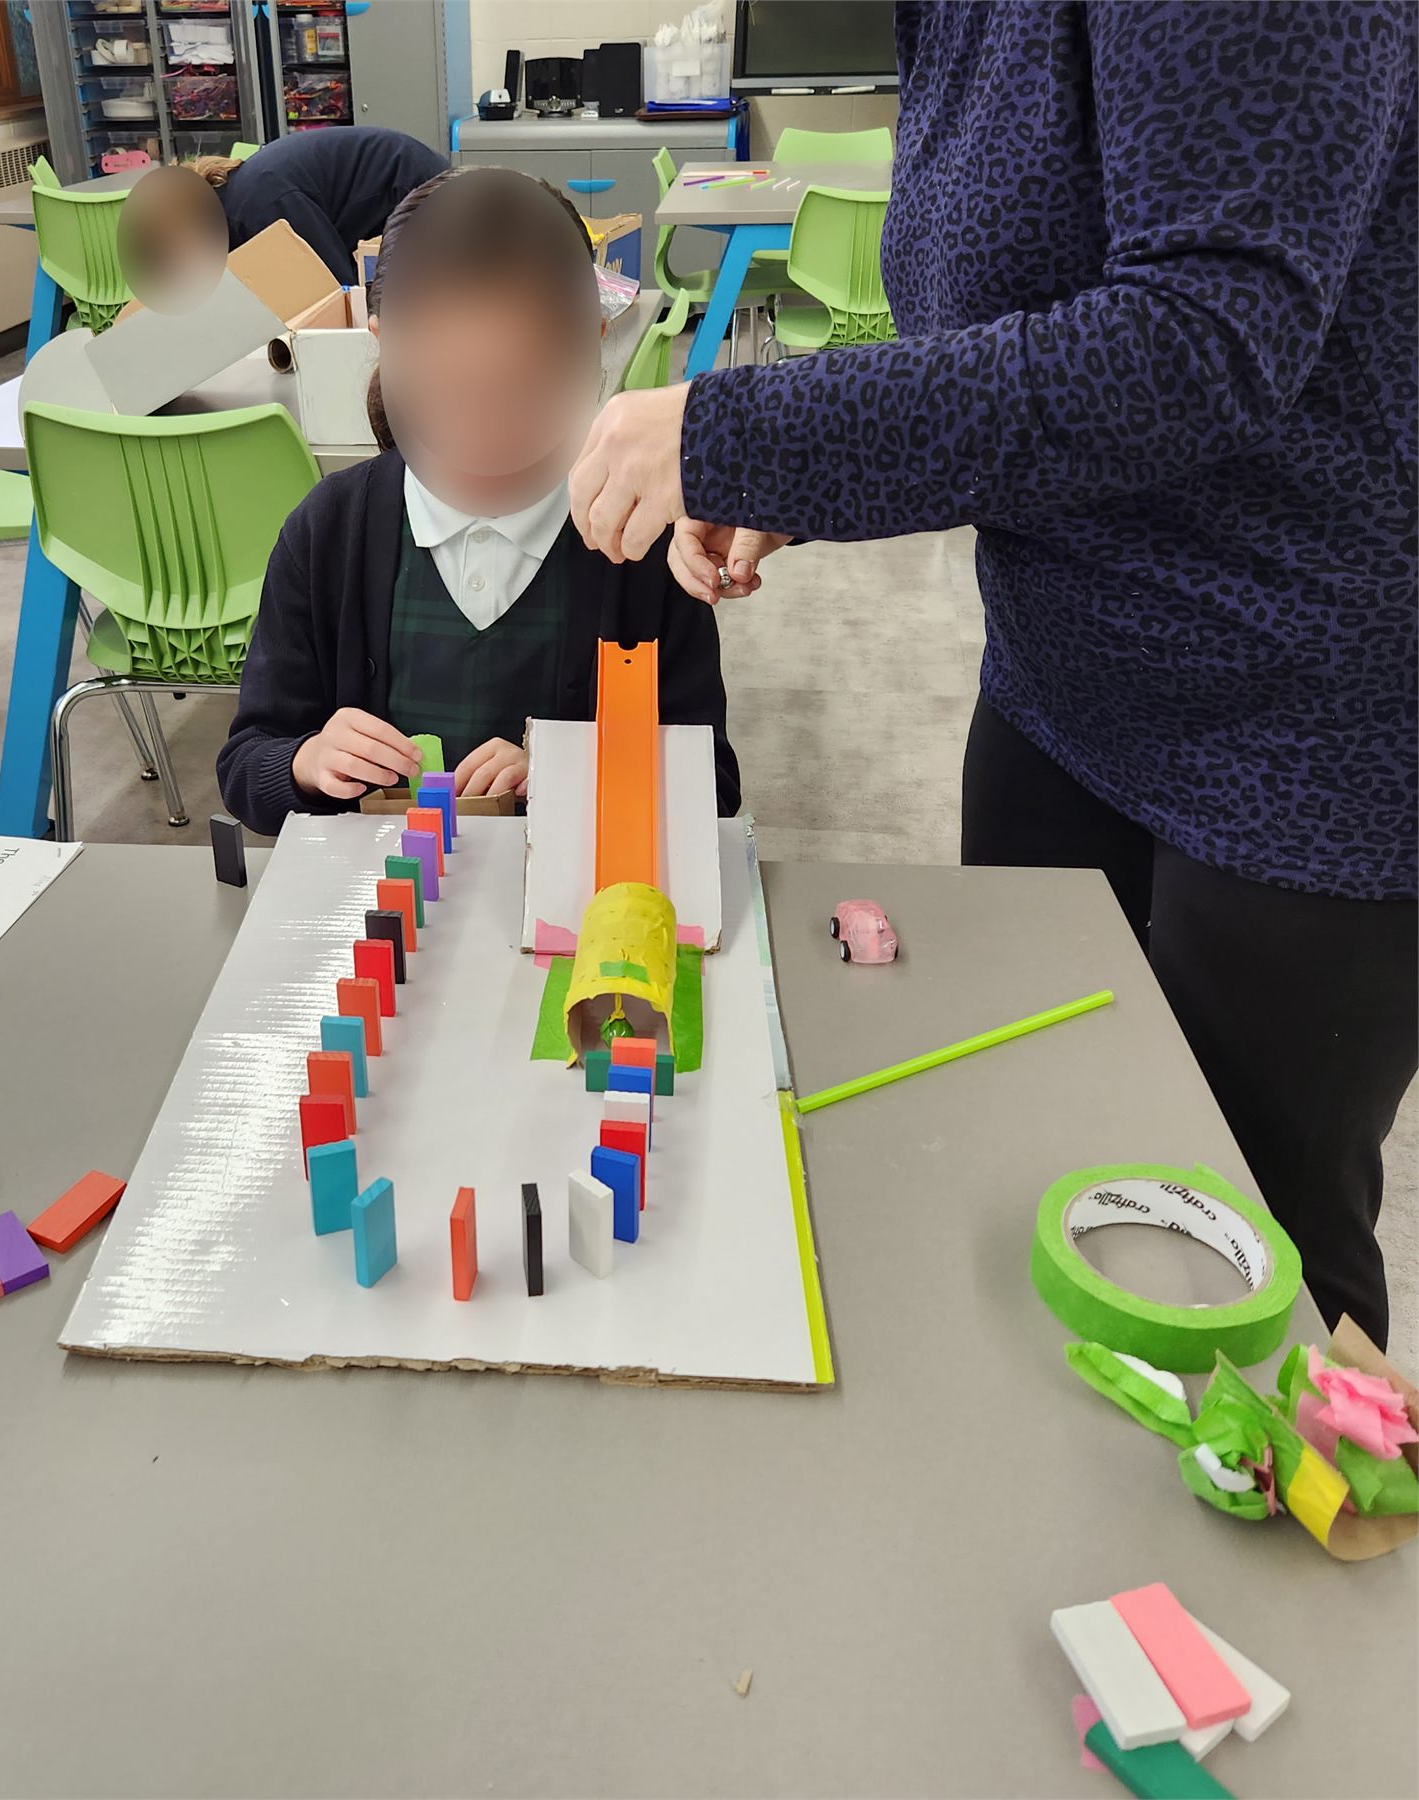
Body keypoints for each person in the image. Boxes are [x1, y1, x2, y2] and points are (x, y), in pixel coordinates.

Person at [566, 2, 1417, 1347]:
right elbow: (1028, 316)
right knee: (1036, 1153)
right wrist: (810, 477)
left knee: (1264, 1271)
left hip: (1303, 731)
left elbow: (1201, 339)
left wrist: (762, 429)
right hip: (1063, 678)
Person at [218, 168, 740, 834]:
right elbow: (246, 764)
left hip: (570, 914)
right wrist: (305, 761)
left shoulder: (642, 544)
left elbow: (713, 788)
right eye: (454, 394)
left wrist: (569, 771)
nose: (487, 445)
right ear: (386, 349)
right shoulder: (328, 534)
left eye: (524, 394)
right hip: (388, 911)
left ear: (588, 350)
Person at [189, 127, 448, 286]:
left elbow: (332, 284)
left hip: (416, 188)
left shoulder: (258, 208)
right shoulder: (235, 200)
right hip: (392, 188)